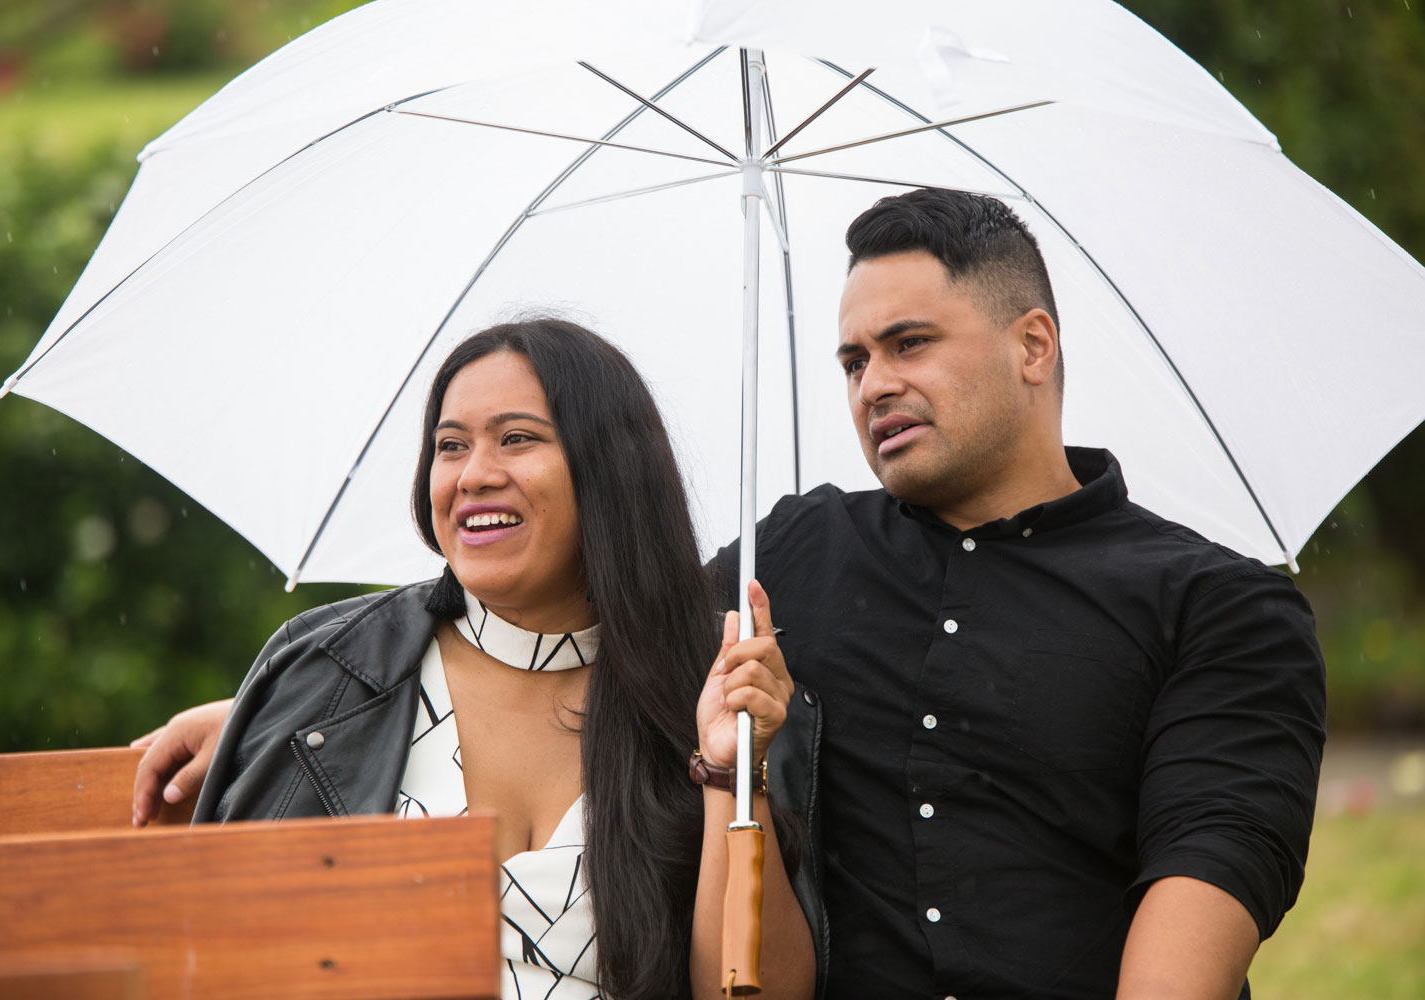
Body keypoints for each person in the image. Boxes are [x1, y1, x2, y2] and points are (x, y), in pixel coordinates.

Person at [135, 190, 1327, 999]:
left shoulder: (1216, 606)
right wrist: (310, 689)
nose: (874, 383)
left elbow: (1207, 880)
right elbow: (584, 606)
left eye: (911, 343)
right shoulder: (798, 553)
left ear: (1033, 343)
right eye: (854, 359)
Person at [159, 319, 817, 1000]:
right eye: (450, 446)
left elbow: (756, 994)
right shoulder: (330, 675)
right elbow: (224, 952)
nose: (474, 475)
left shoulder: (718, 687)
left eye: (517, 438)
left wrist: (726, 773)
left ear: (609, 469)